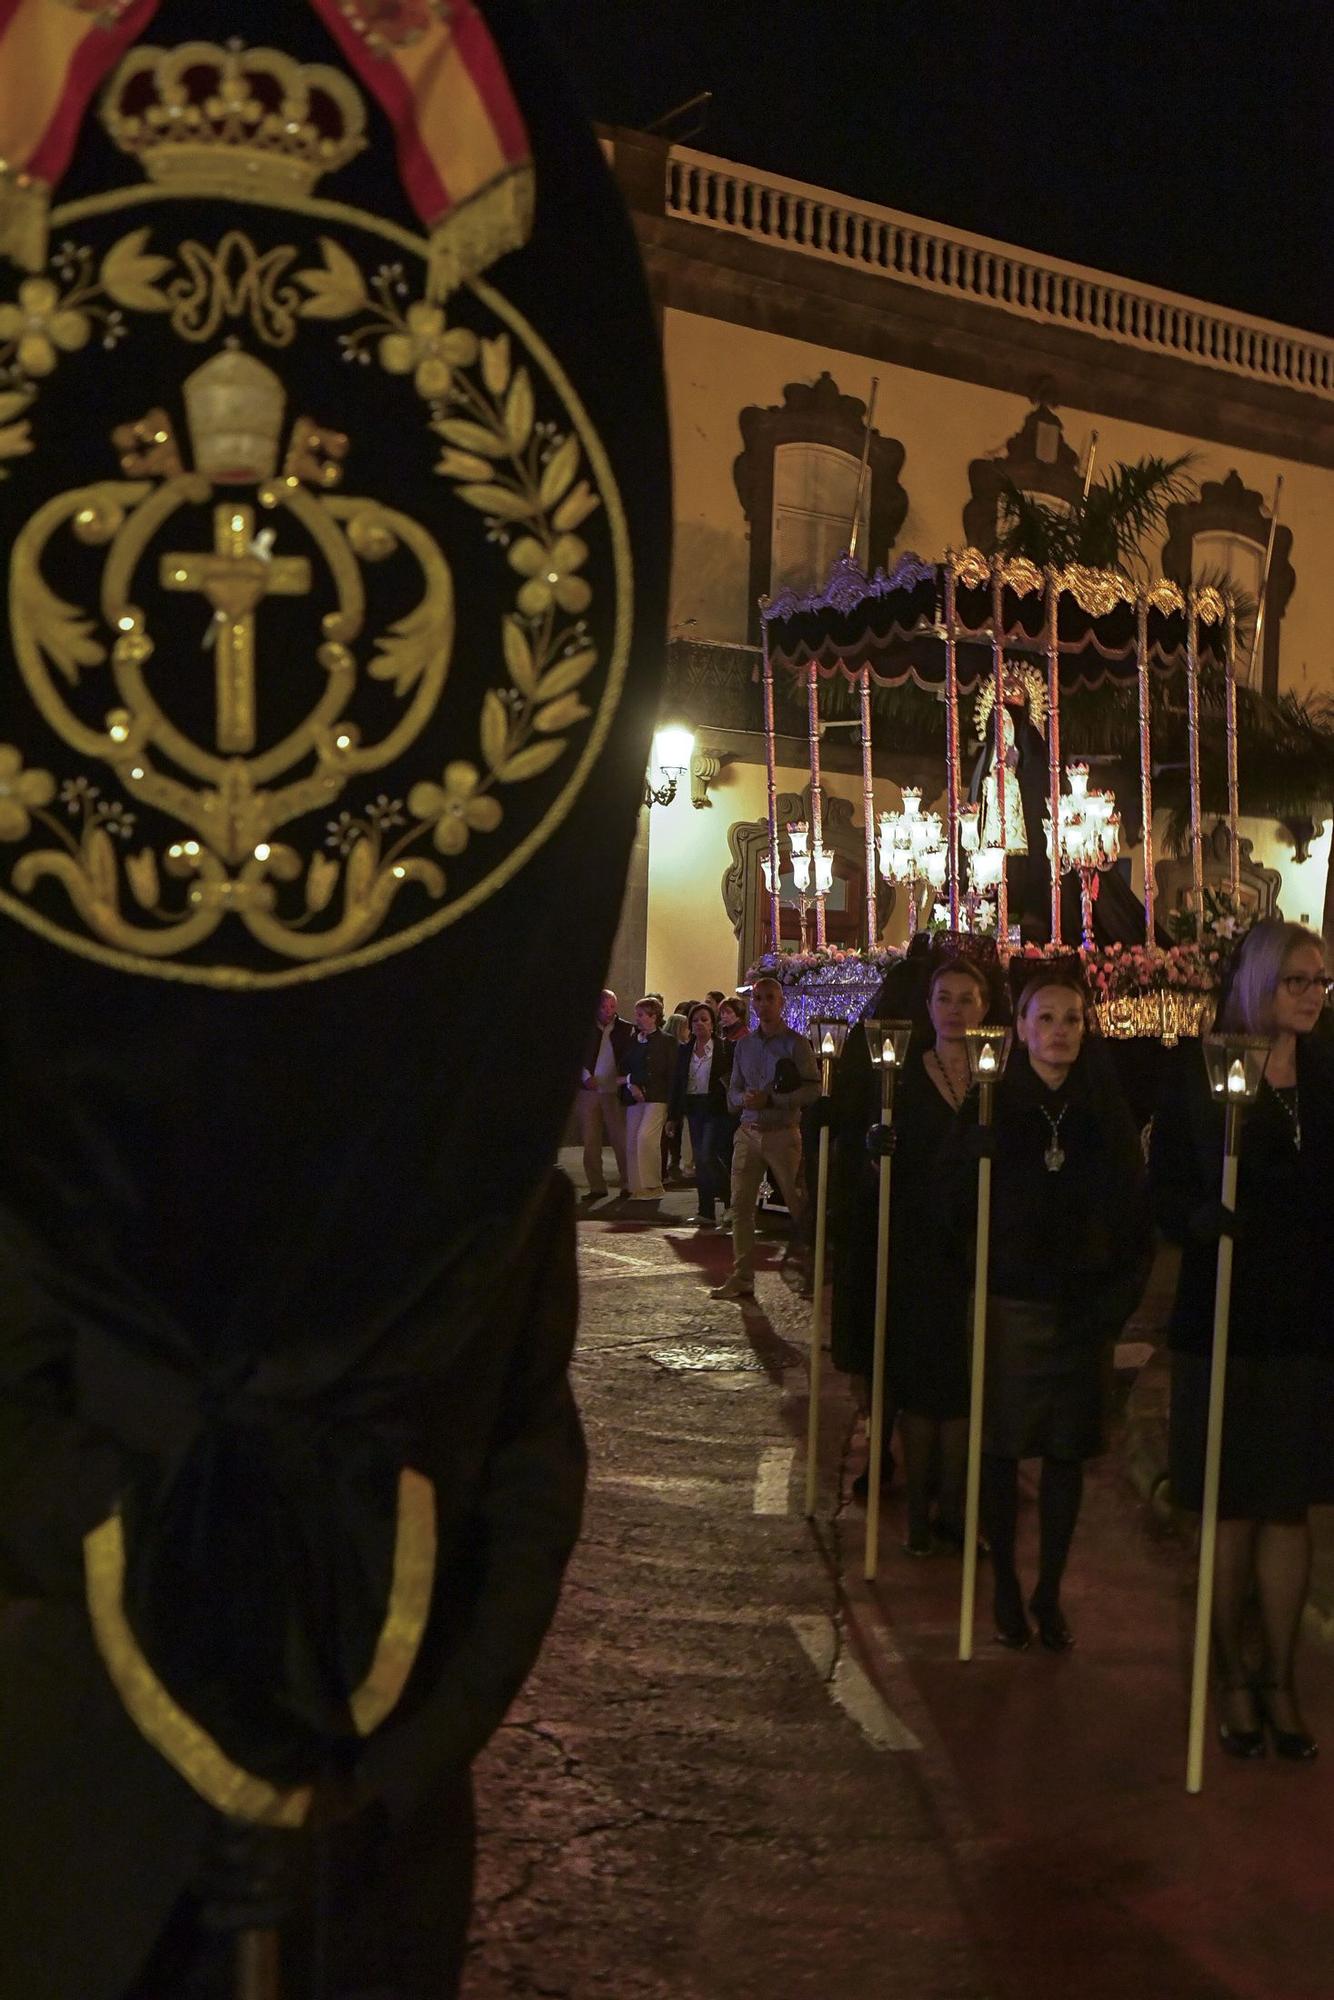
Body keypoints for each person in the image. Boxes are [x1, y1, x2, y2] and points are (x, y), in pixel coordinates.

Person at [0, 4, 671, 1996]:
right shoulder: (47, 1142)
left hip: (367, 1877)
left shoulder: (445, 1144)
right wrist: (145, 1572)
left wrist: (388, 1761)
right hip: (44, 1854)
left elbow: (533, 1476)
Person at [1150, 919, 1334, 1760]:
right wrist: (1198, 1218)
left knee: (1287, 1510)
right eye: (1299, 980)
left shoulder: (1329, 1074)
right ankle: (1231, 1677)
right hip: (1225, 1309)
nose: (1312, 997)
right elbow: (1166, 1190)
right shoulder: (1203, 1069)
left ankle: (1280, 1681)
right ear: (1262, 980)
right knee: (1228, 1510)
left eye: (1323, 983)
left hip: (1306, 1318)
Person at [947, 966, 1149, 1649]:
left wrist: (1115, 1304)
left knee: (1067, 1456)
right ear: (1022, 1029)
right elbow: (952, 1210)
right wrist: (965, 1157)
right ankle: (1004, 1577)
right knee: (1002, 1451)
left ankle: (1049, 1589)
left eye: (1071, 1019)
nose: (1059, 1032)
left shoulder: (1103, 1111)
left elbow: (1131, 1216)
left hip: (1079, 1311)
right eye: (1046, 1019)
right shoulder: (992, 1105)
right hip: (1011, 1303)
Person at [833, 956, 993, 1546]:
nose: (954, 1010)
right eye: (944, 998)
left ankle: (958, 1506)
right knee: (922, 1380)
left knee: (966, 1384)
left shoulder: (997, 1073)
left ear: (985, 1006)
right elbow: (873, 1167)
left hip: (976, 1245)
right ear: (928, 1007)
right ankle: (922, 1513)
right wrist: (876, 1151)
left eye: (966, 999)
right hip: (916, 1245)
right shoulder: (898, 1073)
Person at [710, 976, 819, 1301]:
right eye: (758, 998)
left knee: (796, 1202)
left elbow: (813, 1088)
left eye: (770, 998)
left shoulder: (796, 1044)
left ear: (781, 1002)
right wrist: (742, 1098)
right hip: (748, 1131)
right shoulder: (744, 1045)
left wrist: (773, 1101)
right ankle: (742, 1276)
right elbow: (735, 1088)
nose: (764, 1004)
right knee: (741, 1206)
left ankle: (810, 1270)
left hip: (782, 1133)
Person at [667, 1001, 734, 1227]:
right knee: (701, 1161)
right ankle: (705, 1210)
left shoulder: (724, 1048)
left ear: (713, 1023)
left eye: (704, 1020)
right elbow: (677, 1084)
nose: (699, 1024)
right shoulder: (685, 1050)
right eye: (695, 1021)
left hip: (715, 1107)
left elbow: (730, 1079)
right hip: (694, 1106)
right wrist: (673, 1117)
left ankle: (730, 1202)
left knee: (708, 1155)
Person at [577, 990, 634, 1201]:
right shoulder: (586, 1029)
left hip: (614, 1091)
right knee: (591, 1140)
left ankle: (628, 1182)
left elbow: (631, 1057)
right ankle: (596, 1186)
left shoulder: (626, 1029)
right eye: (604, 1007)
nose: (608, 1011)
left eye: (612, 1007)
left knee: (620, 1138)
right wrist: (585, 1076)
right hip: (589, 1091)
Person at [621, 998, 675, 1202]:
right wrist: (631, 1084)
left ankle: (652, 1184)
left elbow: (669, 1073)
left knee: (646, 1138)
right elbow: (625, 1066)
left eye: (641, 1015)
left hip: (658, 1096)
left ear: (654, 1017)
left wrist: (673, 1105)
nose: (638, 1019)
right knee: (632, 1140)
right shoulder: (634, 1040)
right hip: (635, 1097)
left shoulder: (667, 1042)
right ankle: (636, 1187)